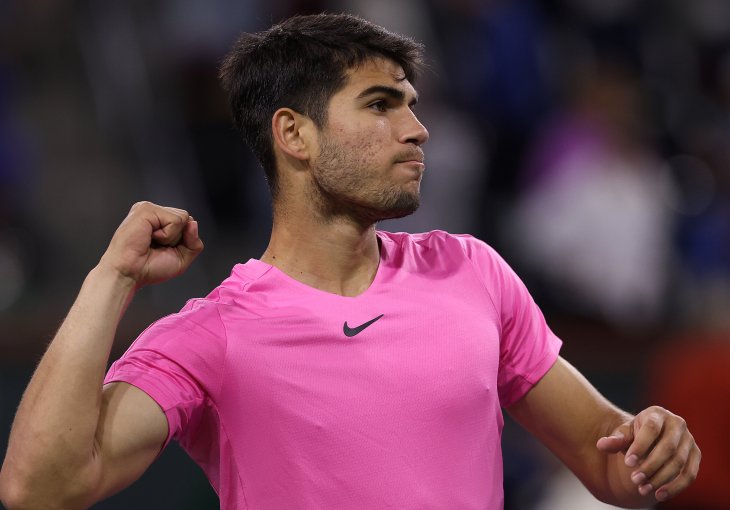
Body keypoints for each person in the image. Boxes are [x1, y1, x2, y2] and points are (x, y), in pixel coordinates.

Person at [0, 13, 699, 510]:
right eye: (380, 105)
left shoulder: (474, 272)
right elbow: (39, 489)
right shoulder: (213, 334)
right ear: (294, 135)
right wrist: (111, 278)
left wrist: (655, 445)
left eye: (412, 105)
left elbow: (611, 462)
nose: (417, 129)